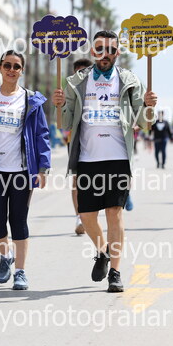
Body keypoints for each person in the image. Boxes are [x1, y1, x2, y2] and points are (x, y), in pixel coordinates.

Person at [53, 30, 157, 292]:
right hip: (88, 159)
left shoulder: (129, 80)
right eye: (100, 49)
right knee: (87, 216)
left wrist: (149, 106)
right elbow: (65, 123)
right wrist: (59, 105)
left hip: (118, 158)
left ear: (117, 52)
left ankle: (116, 273)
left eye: (111, 49)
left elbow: (145, 123)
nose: (105, 54)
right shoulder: (77, 81)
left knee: (114, 213)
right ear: (93, 51)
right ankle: (102, 251)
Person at [0, 50, 51, 290]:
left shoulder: (30, 100)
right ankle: (5, 255)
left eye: (16, 66)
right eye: (7, 65)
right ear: (0, 68)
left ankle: (21, 272)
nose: (11, 70)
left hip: (22, 171)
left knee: (18, 220)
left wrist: (43, 167)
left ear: (21, 70)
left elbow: (42, 134)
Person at [70, 58, 92, 235]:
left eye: (84, 72)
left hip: (98, 142)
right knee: (77, 180)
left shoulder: (99, 90)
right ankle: (79, 216)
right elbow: (63, 118)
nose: (81, 76)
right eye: (78, 72)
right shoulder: (69, 91)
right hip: (77, 141)